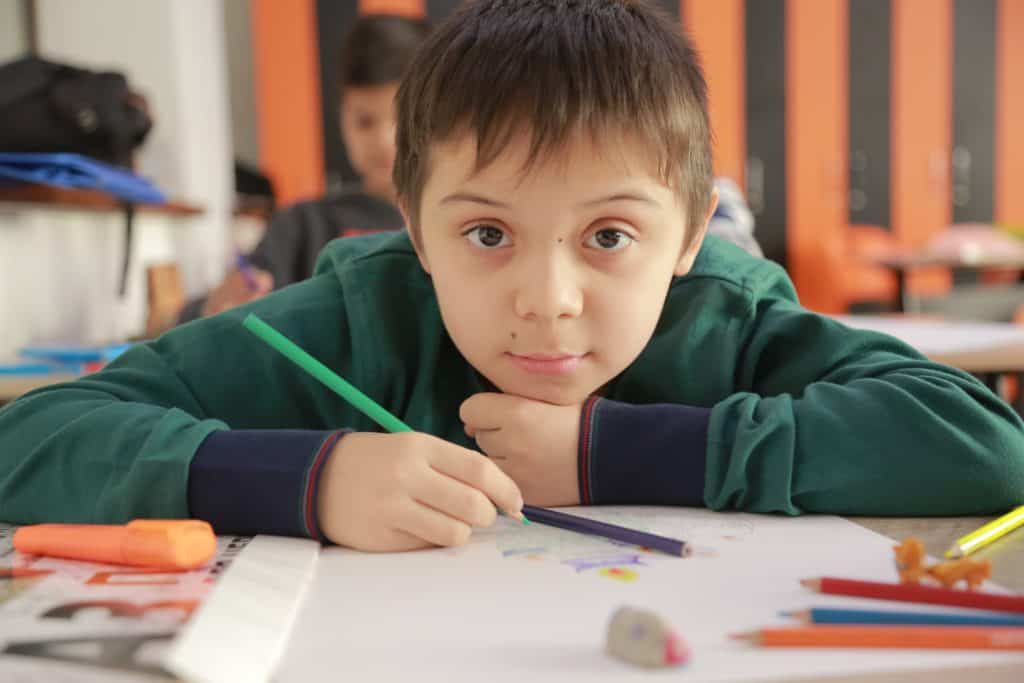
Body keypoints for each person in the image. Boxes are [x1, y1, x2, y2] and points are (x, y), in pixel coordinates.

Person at [1, 0, 1021, 553]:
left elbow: (988, 444)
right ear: (414, 225)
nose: (547, 297)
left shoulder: (722, 311)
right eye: (486, 232)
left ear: (688, 235)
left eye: (609, 236)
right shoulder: (363, 311)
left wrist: (609, 451)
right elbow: (30, 436)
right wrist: (305, 478)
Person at [178, 14, 431, 322]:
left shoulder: (460, 221)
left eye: (402, 119)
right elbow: (207, 317)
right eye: (364, 121)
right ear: (342, 118)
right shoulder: (302, 225)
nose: (384, 141)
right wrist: (214, 306)